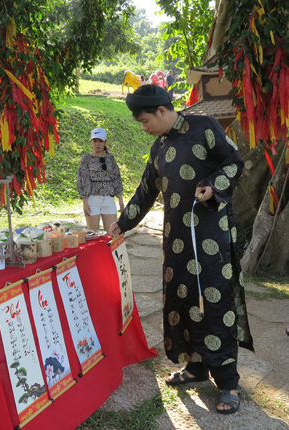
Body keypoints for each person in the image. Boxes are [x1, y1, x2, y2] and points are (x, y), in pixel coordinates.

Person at [109, 85, 254, 415]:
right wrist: (122, 223)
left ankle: (228, 383)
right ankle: (195, 368)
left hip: (211, 239)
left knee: (215, 302)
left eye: (145, 120)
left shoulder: (205, 128)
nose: (143, 127)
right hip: (176, 243)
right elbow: (145, 191)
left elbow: (234, 162)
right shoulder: (159, 146)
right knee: (183, 301)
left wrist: (214, 186)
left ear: (162, 111)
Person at [77, 127, 124, 232]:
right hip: (93, 200)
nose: (97, 144)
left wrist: (120, 199)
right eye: (95, 141)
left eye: (100, 141)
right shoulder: (86, 159)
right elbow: (83, 180)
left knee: (112, 234)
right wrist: (85, 202)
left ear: (105, 142)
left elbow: (116, 178)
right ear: (91, 142)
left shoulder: (110, 158)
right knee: (93, 235)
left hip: (109, 200)